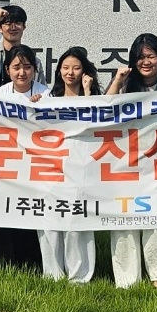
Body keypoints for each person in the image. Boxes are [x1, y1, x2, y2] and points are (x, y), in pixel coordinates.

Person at [104, 33, 157, 288]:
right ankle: (127, 280)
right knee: (123, 218)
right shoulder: (126, 83)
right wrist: (117, 81)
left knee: (156, 220)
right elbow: (103, 110)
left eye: (151, 56)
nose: (145, 62)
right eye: (140, 57)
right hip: (125, 163)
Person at [0, 45, 46, 271]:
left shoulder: (47, 94)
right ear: (7, 69)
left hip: (36, 162)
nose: (22, 73)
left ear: (35, 70)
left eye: (27, 67)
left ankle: (33, 262)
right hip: (7, 162)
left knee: (31, 210)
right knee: (7, 210)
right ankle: (3, 261)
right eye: (16, 67)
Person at [42, 47, 101, 283]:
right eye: (65, 68)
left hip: (82, 171)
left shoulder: (93, 98)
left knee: (78, 224)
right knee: (49, 223)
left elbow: (94, 121)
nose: (70, 72)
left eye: (76, 68)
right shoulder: (48, 100)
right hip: (52, 170)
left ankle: (80, 277)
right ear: (58, 72)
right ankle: (52, 275)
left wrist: (87, 91)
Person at [0, 4, 42, 88]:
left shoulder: (33, 60)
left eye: (18, 23)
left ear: (24, 27)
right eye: (8, 23)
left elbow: (41, 91)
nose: (13, 28)